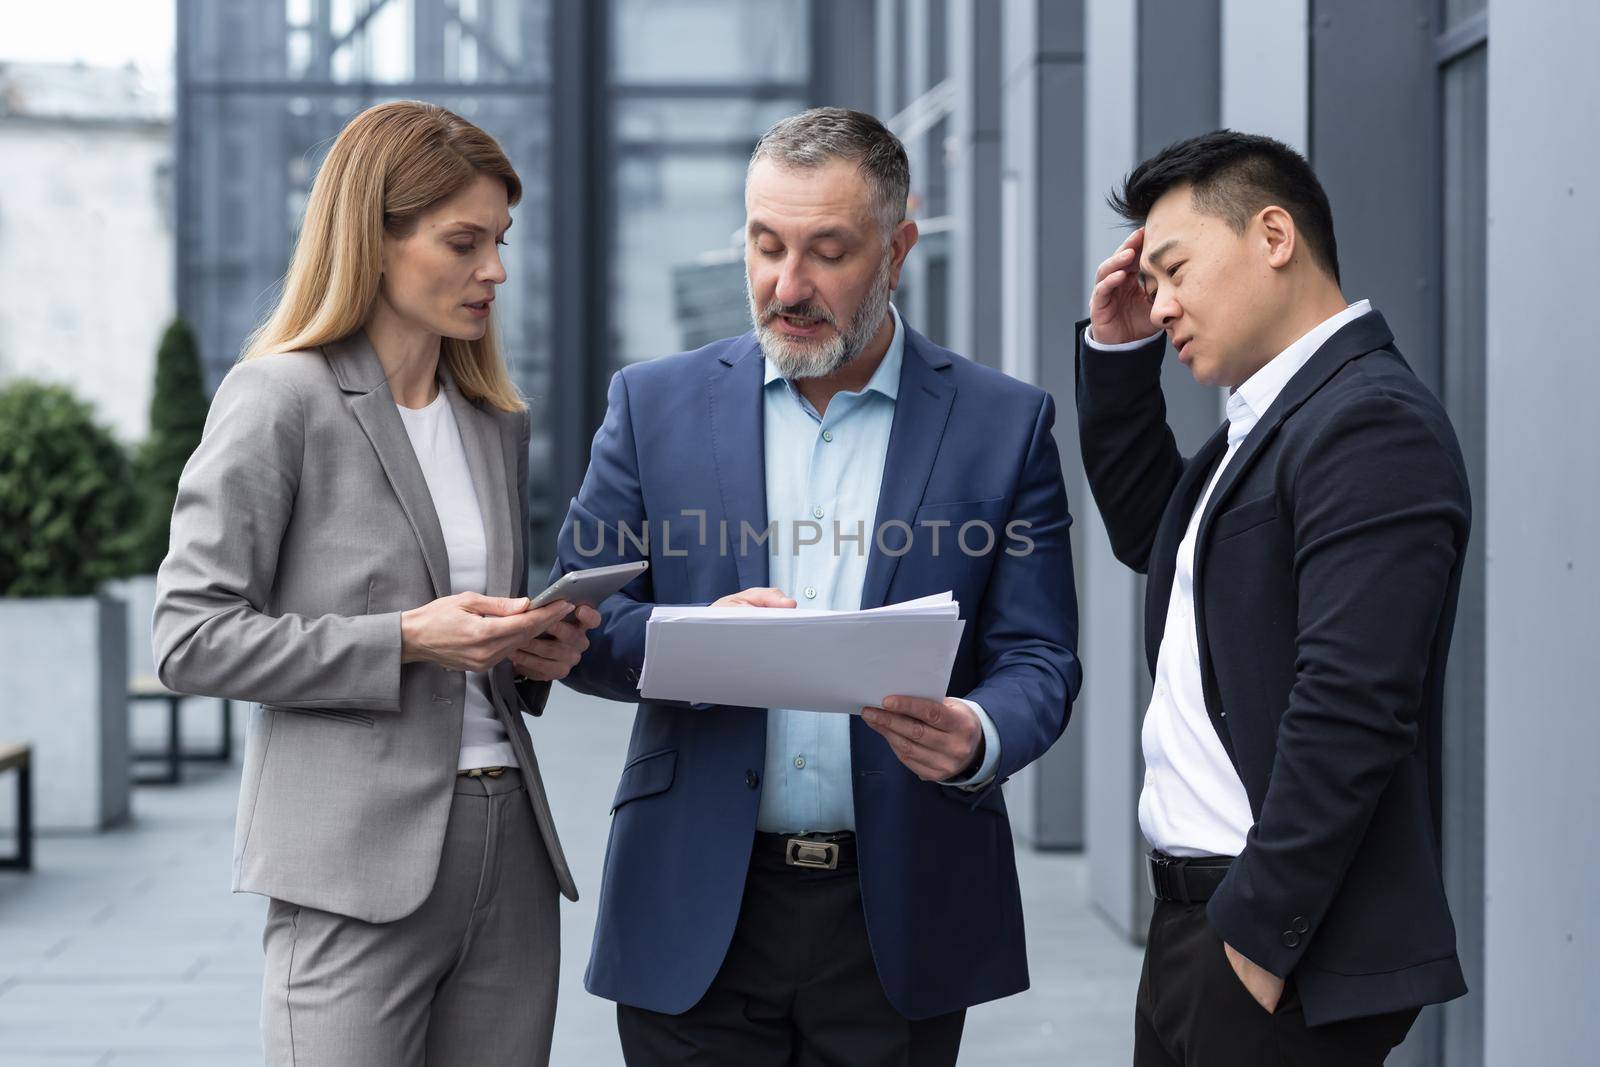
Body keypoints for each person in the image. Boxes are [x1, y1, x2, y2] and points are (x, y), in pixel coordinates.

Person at [546, 107, 1081, 1065]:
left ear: (898, 248)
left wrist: (980, 734)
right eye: (765, 246)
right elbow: (573, 623)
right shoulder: (651, 403)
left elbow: (1039, 653)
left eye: (827, 253)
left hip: (901, 915)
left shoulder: (1005, 424)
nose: (786, 286)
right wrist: (695, 634)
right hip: (693, 906)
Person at [152, 100, 598, 1066]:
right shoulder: (280, 397)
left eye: (501, 240)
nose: (497, 271)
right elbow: (188, 636)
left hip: (507, 847)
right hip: (352, 865)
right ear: (376, 238)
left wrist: (532, 655)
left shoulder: (493, 420)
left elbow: (477, 650)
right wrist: (404, 638)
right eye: (464, 241)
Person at [1076, 130, 1471, 1065]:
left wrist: (1257, 937)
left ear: (1274, 235)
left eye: (1175, 270)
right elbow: (1156, 540)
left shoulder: (1368, 420)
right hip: (1202, 926)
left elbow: (1353, 702)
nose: (1162, 301)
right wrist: (1120, 355)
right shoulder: (1265, 421)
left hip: (1272, 942)